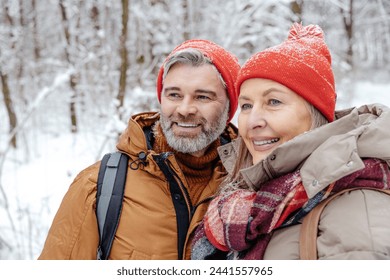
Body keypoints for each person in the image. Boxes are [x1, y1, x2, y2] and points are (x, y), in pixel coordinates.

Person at [191, 23, 390, 260]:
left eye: (273, 102)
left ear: (316, 113)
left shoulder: (356, 209)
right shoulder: (255, 200)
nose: (253, 120)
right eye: (246, 105)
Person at [38, 39, 240, 260]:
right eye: (174, 95)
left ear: (229, 105)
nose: (184, 109)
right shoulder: (98, 187)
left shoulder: (248, 182)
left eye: (202, 96)